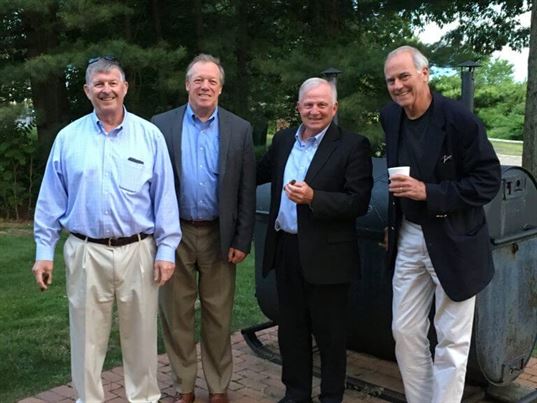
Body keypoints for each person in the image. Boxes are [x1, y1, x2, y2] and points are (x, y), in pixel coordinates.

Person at [32, 57, 181, 403]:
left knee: (142, 338)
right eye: (98, 84)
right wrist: (44, 252)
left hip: (139, 251)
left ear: (125, 87)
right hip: (85, 251)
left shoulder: (149, 136)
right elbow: (50, 201)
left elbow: (165, 198)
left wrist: (167, 249)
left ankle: (143, 399)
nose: (106, 89)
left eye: (113, 82)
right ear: (87, 91)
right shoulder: (69, 139)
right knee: (86, 339)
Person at [381, 45, 501, 403]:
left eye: (404, 76)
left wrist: (428, 192)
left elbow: (487, 181)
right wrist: (394, 223)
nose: (398, 85)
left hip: (455, 239)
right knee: (404, 331)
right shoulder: (391, 117)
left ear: (425, 73)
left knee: (451, 340)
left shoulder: (460, 120)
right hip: (409, 236)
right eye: (391, 79)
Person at [257, 77, 373, 403]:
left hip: (328, 257)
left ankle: (331, 397)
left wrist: (314, 198)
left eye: (322, 104)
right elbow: (257, 172)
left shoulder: (352, 145)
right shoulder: (283, 141)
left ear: (334, 108)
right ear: (298, 108)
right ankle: (296, 394)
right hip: (286, 249)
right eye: (308, 104)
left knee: (330, 335)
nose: (315, 110)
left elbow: (357, 201)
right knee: (291, 329)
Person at [151, 54, 256, 403]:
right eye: (198, 80)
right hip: (173, 233)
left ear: (221, 88)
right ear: (187, 85)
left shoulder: (239, 129)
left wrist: (242, 238)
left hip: (219, 235)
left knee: (218, 314)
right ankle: (183, 386)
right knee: (175, 314)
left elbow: (245, 188)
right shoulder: (161, 126)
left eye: (211, 81)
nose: (205, 86)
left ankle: (218, 386)